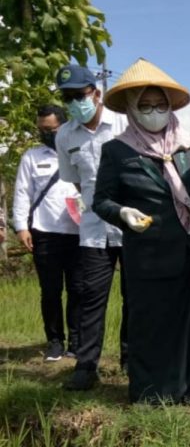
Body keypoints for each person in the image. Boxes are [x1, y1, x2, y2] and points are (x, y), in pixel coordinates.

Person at [92, 58, 190, 404]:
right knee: (153, 324)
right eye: (146, 106)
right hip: (148, 255)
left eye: (160, 105)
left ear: (170, 107)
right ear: (133, 110)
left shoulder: (189, 146)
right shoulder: (118, 151)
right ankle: (155, 392)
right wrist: (123, 212)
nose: (154, 112)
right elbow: (101, 201)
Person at [55, 64, 128, 390]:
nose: (74, 103)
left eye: (79, 95)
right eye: (67, 98)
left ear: (96, 93)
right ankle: (86, 366)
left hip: (132, 224)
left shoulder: (124, 122)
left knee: (136, 295)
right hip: (94, 229)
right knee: (89, 296)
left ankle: (132, 358)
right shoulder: (65, 135)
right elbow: (72, 179)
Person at [12, 104, 82, 361]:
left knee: (78, 289)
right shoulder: (32, 156)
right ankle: (55, 341)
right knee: (50, 290)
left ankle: (77, 341)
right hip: (44, 232)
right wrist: (21, 226)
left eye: (51, 130)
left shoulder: (79, 150)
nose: (47, 135)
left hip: (78, 231)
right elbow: (22, 192)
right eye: (42, 130)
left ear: (63, 126)